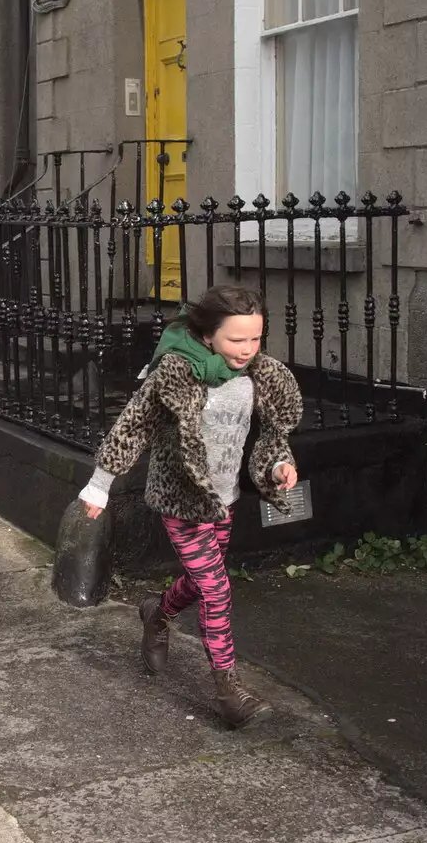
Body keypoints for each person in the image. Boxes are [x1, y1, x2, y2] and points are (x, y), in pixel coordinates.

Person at [79, 285, 302, 727]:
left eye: (255, 338)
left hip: (224, 501)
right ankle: (228, 691)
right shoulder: (177, 373)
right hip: (181, 500)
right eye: (236, 340)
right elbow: (133, 426)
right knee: (217, 588)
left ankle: (155, 613)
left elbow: (274, 437)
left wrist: (279, 466)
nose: (247, 349)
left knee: (201, 584)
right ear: (206, 336)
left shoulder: (259, 375)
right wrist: (99, 486)